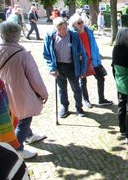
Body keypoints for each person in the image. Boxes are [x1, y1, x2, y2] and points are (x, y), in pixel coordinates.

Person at [0, 21, 48, 159]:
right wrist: (44, 94)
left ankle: (30, 136)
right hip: (20, 94)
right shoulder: (23, 54)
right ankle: (18, 149)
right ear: (18, 35)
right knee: (25, 119)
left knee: (16, 117)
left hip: (4, 95)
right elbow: (35, 78)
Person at [43, 17, 88, 118]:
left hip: (72, 66)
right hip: (58, 66)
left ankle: (79, 108)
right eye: (59, 29)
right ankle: (64, 107)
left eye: (64, 28)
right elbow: (47, 54)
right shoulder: (50, 37)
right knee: (62, 89)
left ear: (67, 26)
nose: (62, 31)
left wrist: (83, 70)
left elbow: (82, 52)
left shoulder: (74, 36)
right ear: (55, 28)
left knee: (76, 88)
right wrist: (51, 68)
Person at [69, 14, 113, 108]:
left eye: (82, 22)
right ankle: (86, 100)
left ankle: (101, 99)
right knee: (83, 82)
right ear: (74, 25)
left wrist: (97, 57)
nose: (81, 24)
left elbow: (94, 46)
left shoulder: (88, 32)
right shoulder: (73, 36)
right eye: (79, 23)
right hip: (82, 62)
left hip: (93, 60)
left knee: (101, 78)